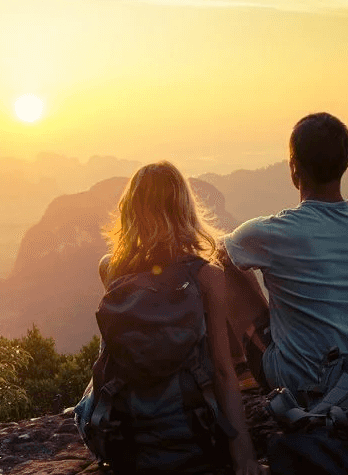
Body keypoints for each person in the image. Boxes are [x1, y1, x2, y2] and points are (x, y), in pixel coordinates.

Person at [95, 161, 263, 475]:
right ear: (184, 210)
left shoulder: (113, 269)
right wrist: (244, 458)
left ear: (131, 212)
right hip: (193, 435)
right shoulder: (208, 275)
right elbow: (222, 371)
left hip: (126, 440)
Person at [220, 112, 348, 394]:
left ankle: (236, 371)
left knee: (223, 267)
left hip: (298, 380)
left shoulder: (275, 232)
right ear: (345, 163)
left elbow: (218, 251)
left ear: (294, 168)